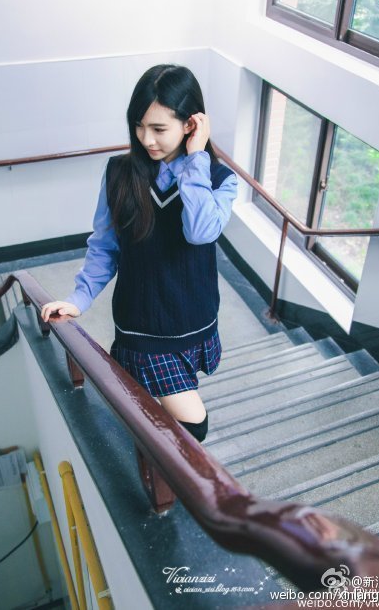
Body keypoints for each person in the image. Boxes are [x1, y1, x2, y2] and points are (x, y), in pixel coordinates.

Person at [41, 64, 237, 443]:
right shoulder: (119, 173)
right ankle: (157, 461)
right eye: (139, 125)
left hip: (194, 317)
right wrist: (79, 299)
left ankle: (152, 443)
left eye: (159, 129)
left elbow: (200, 232)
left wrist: (195, 160)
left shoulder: (218, 179)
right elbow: (105, 246)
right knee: (194, 424)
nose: (146, 139)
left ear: (191, 125)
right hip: (142, 325)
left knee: (167, 404)